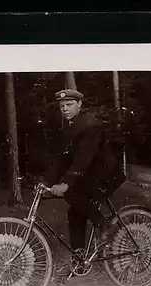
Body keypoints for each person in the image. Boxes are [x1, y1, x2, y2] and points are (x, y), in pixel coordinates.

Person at [42, 88, 126, 251]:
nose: (65, 109)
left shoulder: (90, 125)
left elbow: (83, 159)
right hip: (91, 176)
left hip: (106, 176)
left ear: (79, 104)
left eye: (69, 104)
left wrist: (65, 184)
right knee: (74, 213)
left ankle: (104, 225)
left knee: (72, 193)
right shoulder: (70, 128)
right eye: (62, 106)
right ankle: (79, 258)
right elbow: (62, 159)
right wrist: (46, 182)